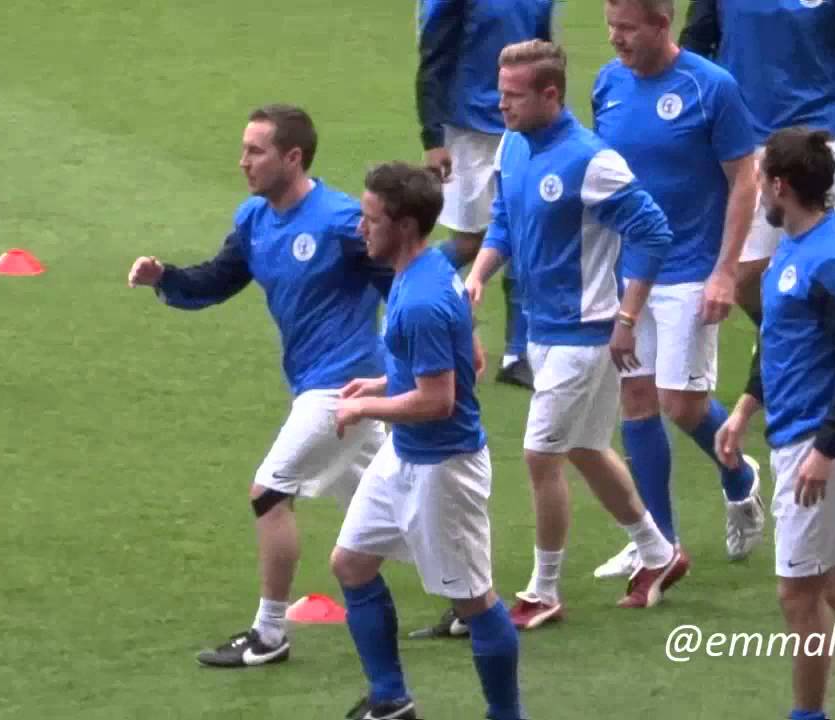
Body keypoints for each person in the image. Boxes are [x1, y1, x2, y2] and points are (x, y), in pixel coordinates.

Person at [126, 104, 392, 669]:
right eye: (244, 148)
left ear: (292, 158)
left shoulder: (342, 221)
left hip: (343, 389)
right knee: (401, 506)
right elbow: (217, 280)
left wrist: (419, 351)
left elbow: (405, 274)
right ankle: (476, 605)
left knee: (270, 491)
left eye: (256, 151)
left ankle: (269, 634)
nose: (243, 161)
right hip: (315, 386)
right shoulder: (254, 219)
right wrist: (165, 277)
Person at [465, 39, 687, 630]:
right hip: (544, 329)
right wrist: (480, 275)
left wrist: (628, 315)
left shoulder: (591, 160)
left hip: (586, 337)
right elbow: (506, 222)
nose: (501, 105)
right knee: (587, 448)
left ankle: (544, 590)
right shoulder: (513, 146)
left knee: (542, 455)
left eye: (512, 96)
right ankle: (659, 552)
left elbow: (655, 233)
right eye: (500, 91)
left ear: (551, 94)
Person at [715, 128, 835, 720]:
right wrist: (747, 407)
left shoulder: (832, 258)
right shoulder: (796, 248)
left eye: (761, 179)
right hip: (799, 434)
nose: (756, 191)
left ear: (780, 186)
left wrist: (825, 450)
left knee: (798, 593)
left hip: (821, 441)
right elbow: (781, 340)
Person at [330, 162, 523, 720]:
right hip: (405, 455)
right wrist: (381, 382)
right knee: (351, 563)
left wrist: (366, 404)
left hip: (443, 468)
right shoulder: (426, 270)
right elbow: (448, 366)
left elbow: (438, 400)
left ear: (406, 225)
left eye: (371, 219)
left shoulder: (419, 299)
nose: (360, 229)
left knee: (474, 602)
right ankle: (390, 699)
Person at [588, 0, 764, 584]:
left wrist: (726, 270)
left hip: (691, 268)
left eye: (626, 28)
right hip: (629, 270)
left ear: (662, 25)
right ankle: (656, 546)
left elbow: (745, 178)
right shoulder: (607, 84)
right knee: (635, 401)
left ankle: (740, 477)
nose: (615, 38)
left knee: (681, 404)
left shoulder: (710, 87)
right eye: (610, 26)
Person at [680, 0, 835, 397]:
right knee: (740, 272)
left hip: (816, 140)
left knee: (814, 259)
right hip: (740, 136)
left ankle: (823, 358)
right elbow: (696, 42)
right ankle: (784, 333)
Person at [416, 0, 556, 390]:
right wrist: (433, 136)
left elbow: (545, 54)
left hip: (525, 125)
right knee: (469, 243)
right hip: (469, 128)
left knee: (527, 233)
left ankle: (518, 353)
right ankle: (411, 292)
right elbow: (434, 55)